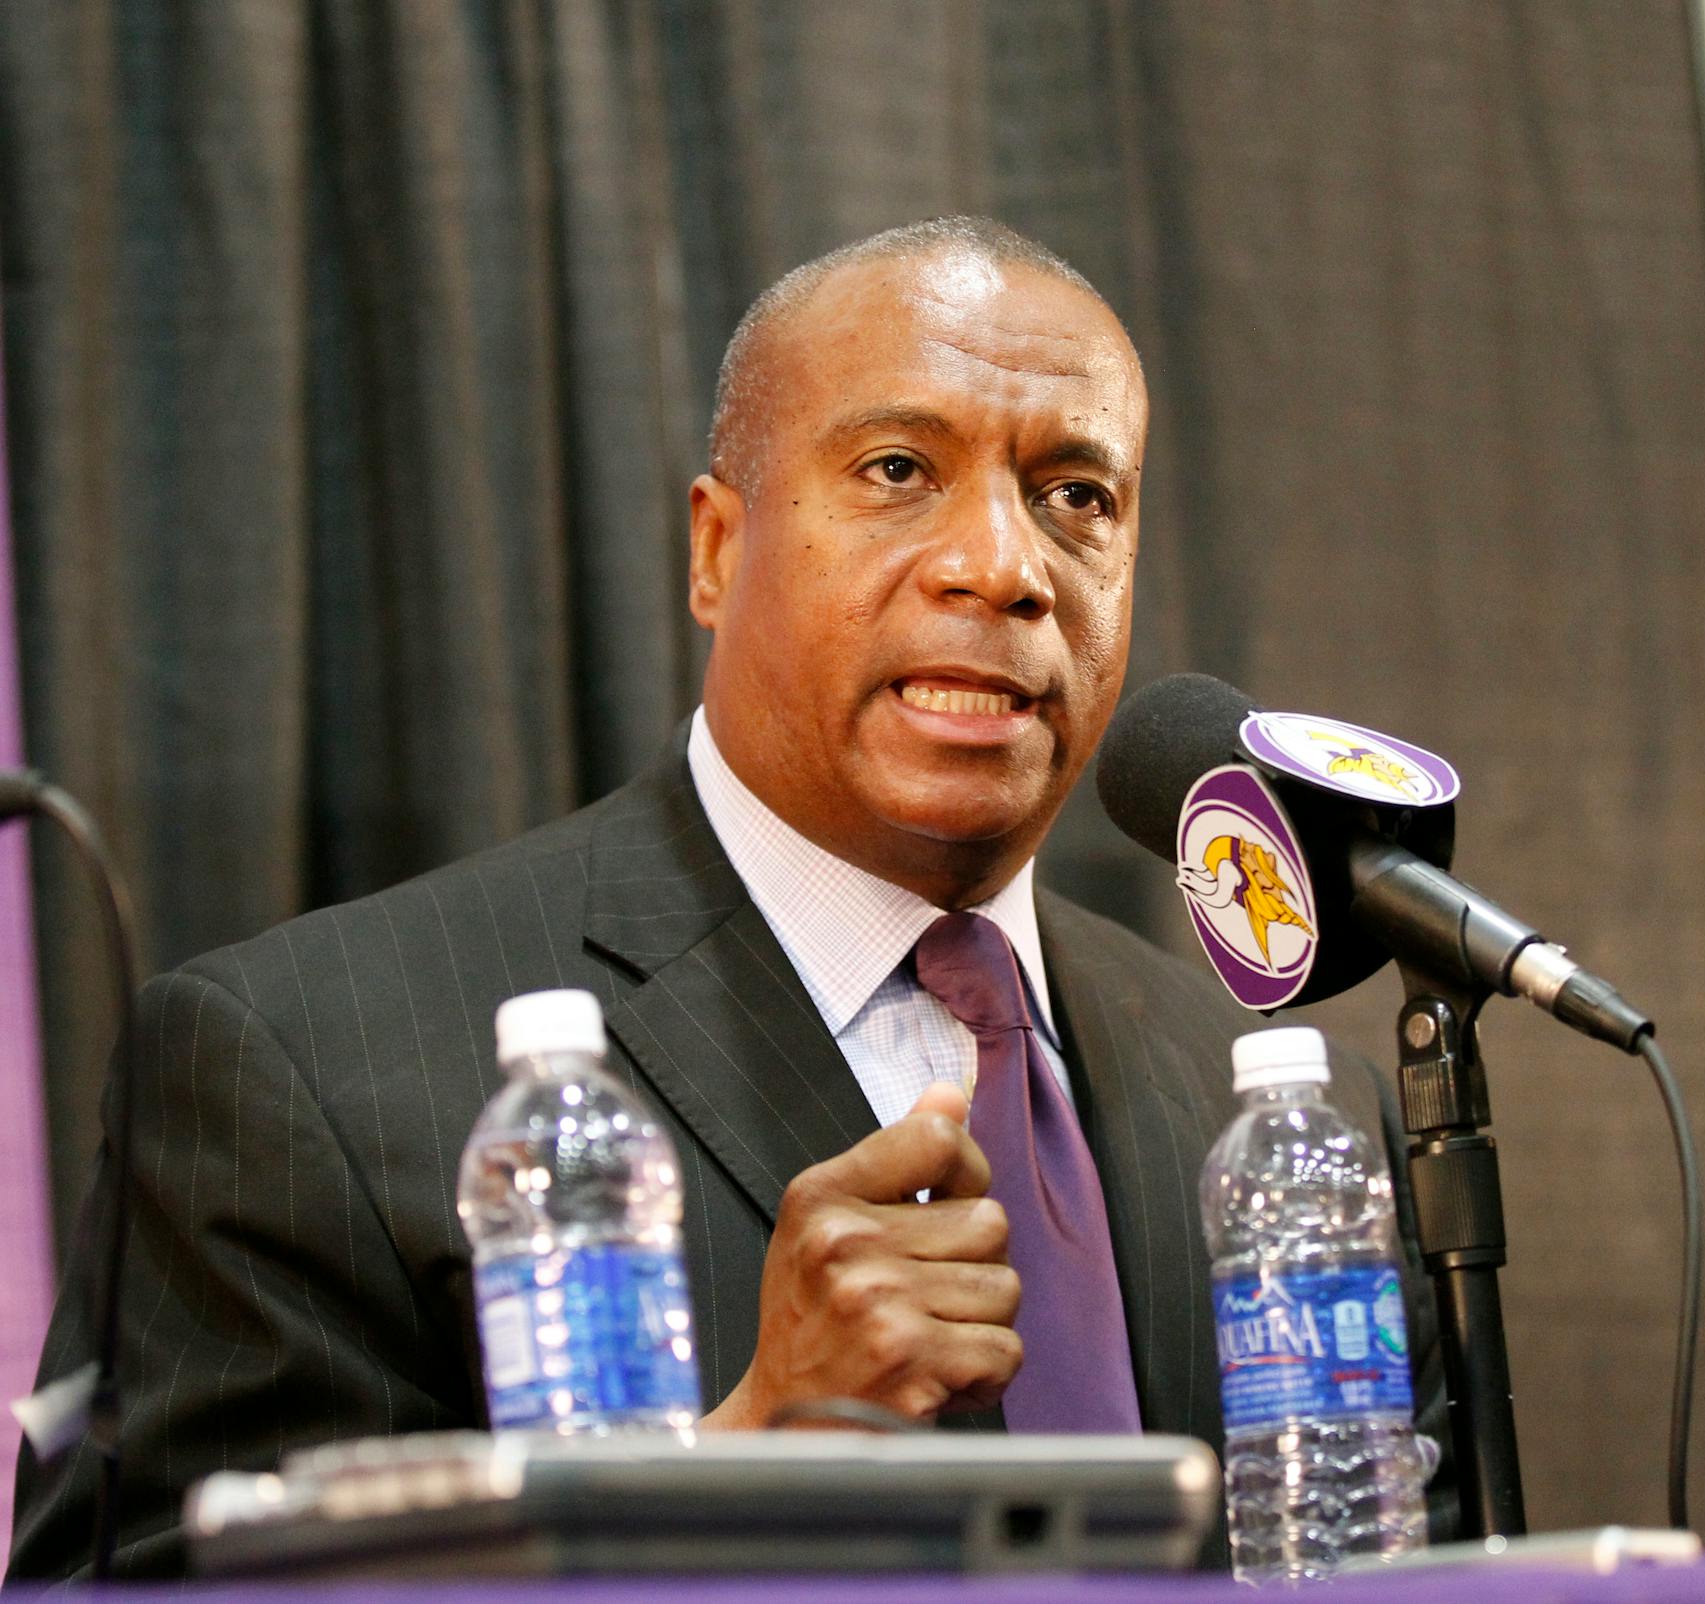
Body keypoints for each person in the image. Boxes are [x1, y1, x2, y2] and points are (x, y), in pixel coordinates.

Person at [9, 217, 1449, 1578]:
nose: (1004, 567)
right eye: (899, 469)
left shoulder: (1293, 1119)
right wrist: (740, 1456)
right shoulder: (298, 1066)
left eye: (1078, 497)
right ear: (715, 550)